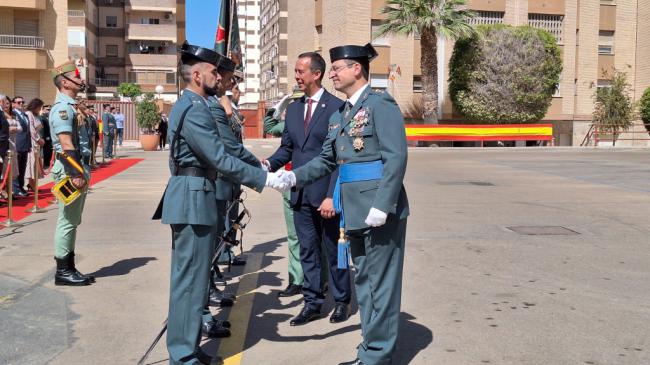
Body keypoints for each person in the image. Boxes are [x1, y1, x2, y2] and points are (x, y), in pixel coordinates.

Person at [278, 44, 410, 365]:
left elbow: (396, 157)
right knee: (365, 282)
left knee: (381, 284)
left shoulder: (380, 104)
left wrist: (383, 204)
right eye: (332, 68)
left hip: (380, 211)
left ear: (357, 70)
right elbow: (325, 160)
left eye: (337, 68)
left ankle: (378, 356)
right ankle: (370, 350)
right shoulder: (341, 113)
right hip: (353, 211)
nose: (332, 74)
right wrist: (293, 179)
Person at [155, 41, 283, 365]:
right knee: (188, 283)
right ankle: (182, 356)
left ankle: (188, 348)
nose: (220, 77)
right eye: (214, 72)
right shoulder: (195, 108)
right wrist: (265, 178)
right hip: (192, 195)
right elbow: (220, 157)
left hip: (195, 192)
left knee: (195, 280)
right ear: (197, 75)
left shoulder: (193, 104)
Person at [264, 52, 352, 326]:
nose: (297, 76)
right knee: (307, 251)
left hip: (326, 195)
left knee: (332, 250)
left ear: (317, 74)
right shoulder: (293, 109)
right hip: (299, 193)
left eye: (301, 71)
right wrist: (268, 163)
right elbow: (288, 149)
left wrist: (330, 196)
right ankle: (312, 302)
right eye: (296, 71)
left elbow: (340, 157)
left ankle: (340, 301)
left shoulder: (338, 107)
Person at [49, 60, 95, 286]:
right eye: (77, 77)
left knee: (73, 220)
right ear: (65, 82)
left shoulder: (72, 106)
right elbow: (66, 144)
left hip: (77, 168)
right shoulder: (63, 109)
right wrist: (77, 174)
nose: (82, 80)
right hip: (70, 170)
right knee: (67, 221)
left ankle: (69, 267)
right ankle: (63, 271)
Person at [24, 98, 45, 192]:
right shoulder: (29, 114)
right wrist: (38, 139)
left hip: (36, 142)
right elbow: (31, 129)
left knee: (36, 165)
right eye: (39, 107)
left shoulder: (35, 115)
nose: (40, 109)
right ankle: (32, 185)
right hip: (32, 142)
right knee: (32, 164)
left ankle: (33, 184)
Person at [12, 96, 30, 196]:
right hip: (17, 144)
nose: (21, 104)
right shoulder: (13, 114)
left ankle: (21, 187)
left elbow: (28, 132)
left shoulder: (24, 115)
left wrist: (29, 145)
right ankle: (16, 189)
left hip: (25, 145)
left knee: (22, 168)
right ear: (13, 104)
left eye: (22, 102)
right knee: (16, 169)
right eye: (18, 102)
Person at [40, 105, 53, 169]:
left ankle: (49, 162)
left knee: (50, 149)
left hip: (50, 136)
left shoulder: (50, 117)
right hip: (46, 136)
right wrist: (44, 136)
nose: (49, 111)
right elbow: (42, 128)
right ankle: (46, 163)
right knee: (46, 150)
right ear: (43, 110)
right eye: (47, 109)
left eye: (50, 109)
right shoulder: (42, 117)